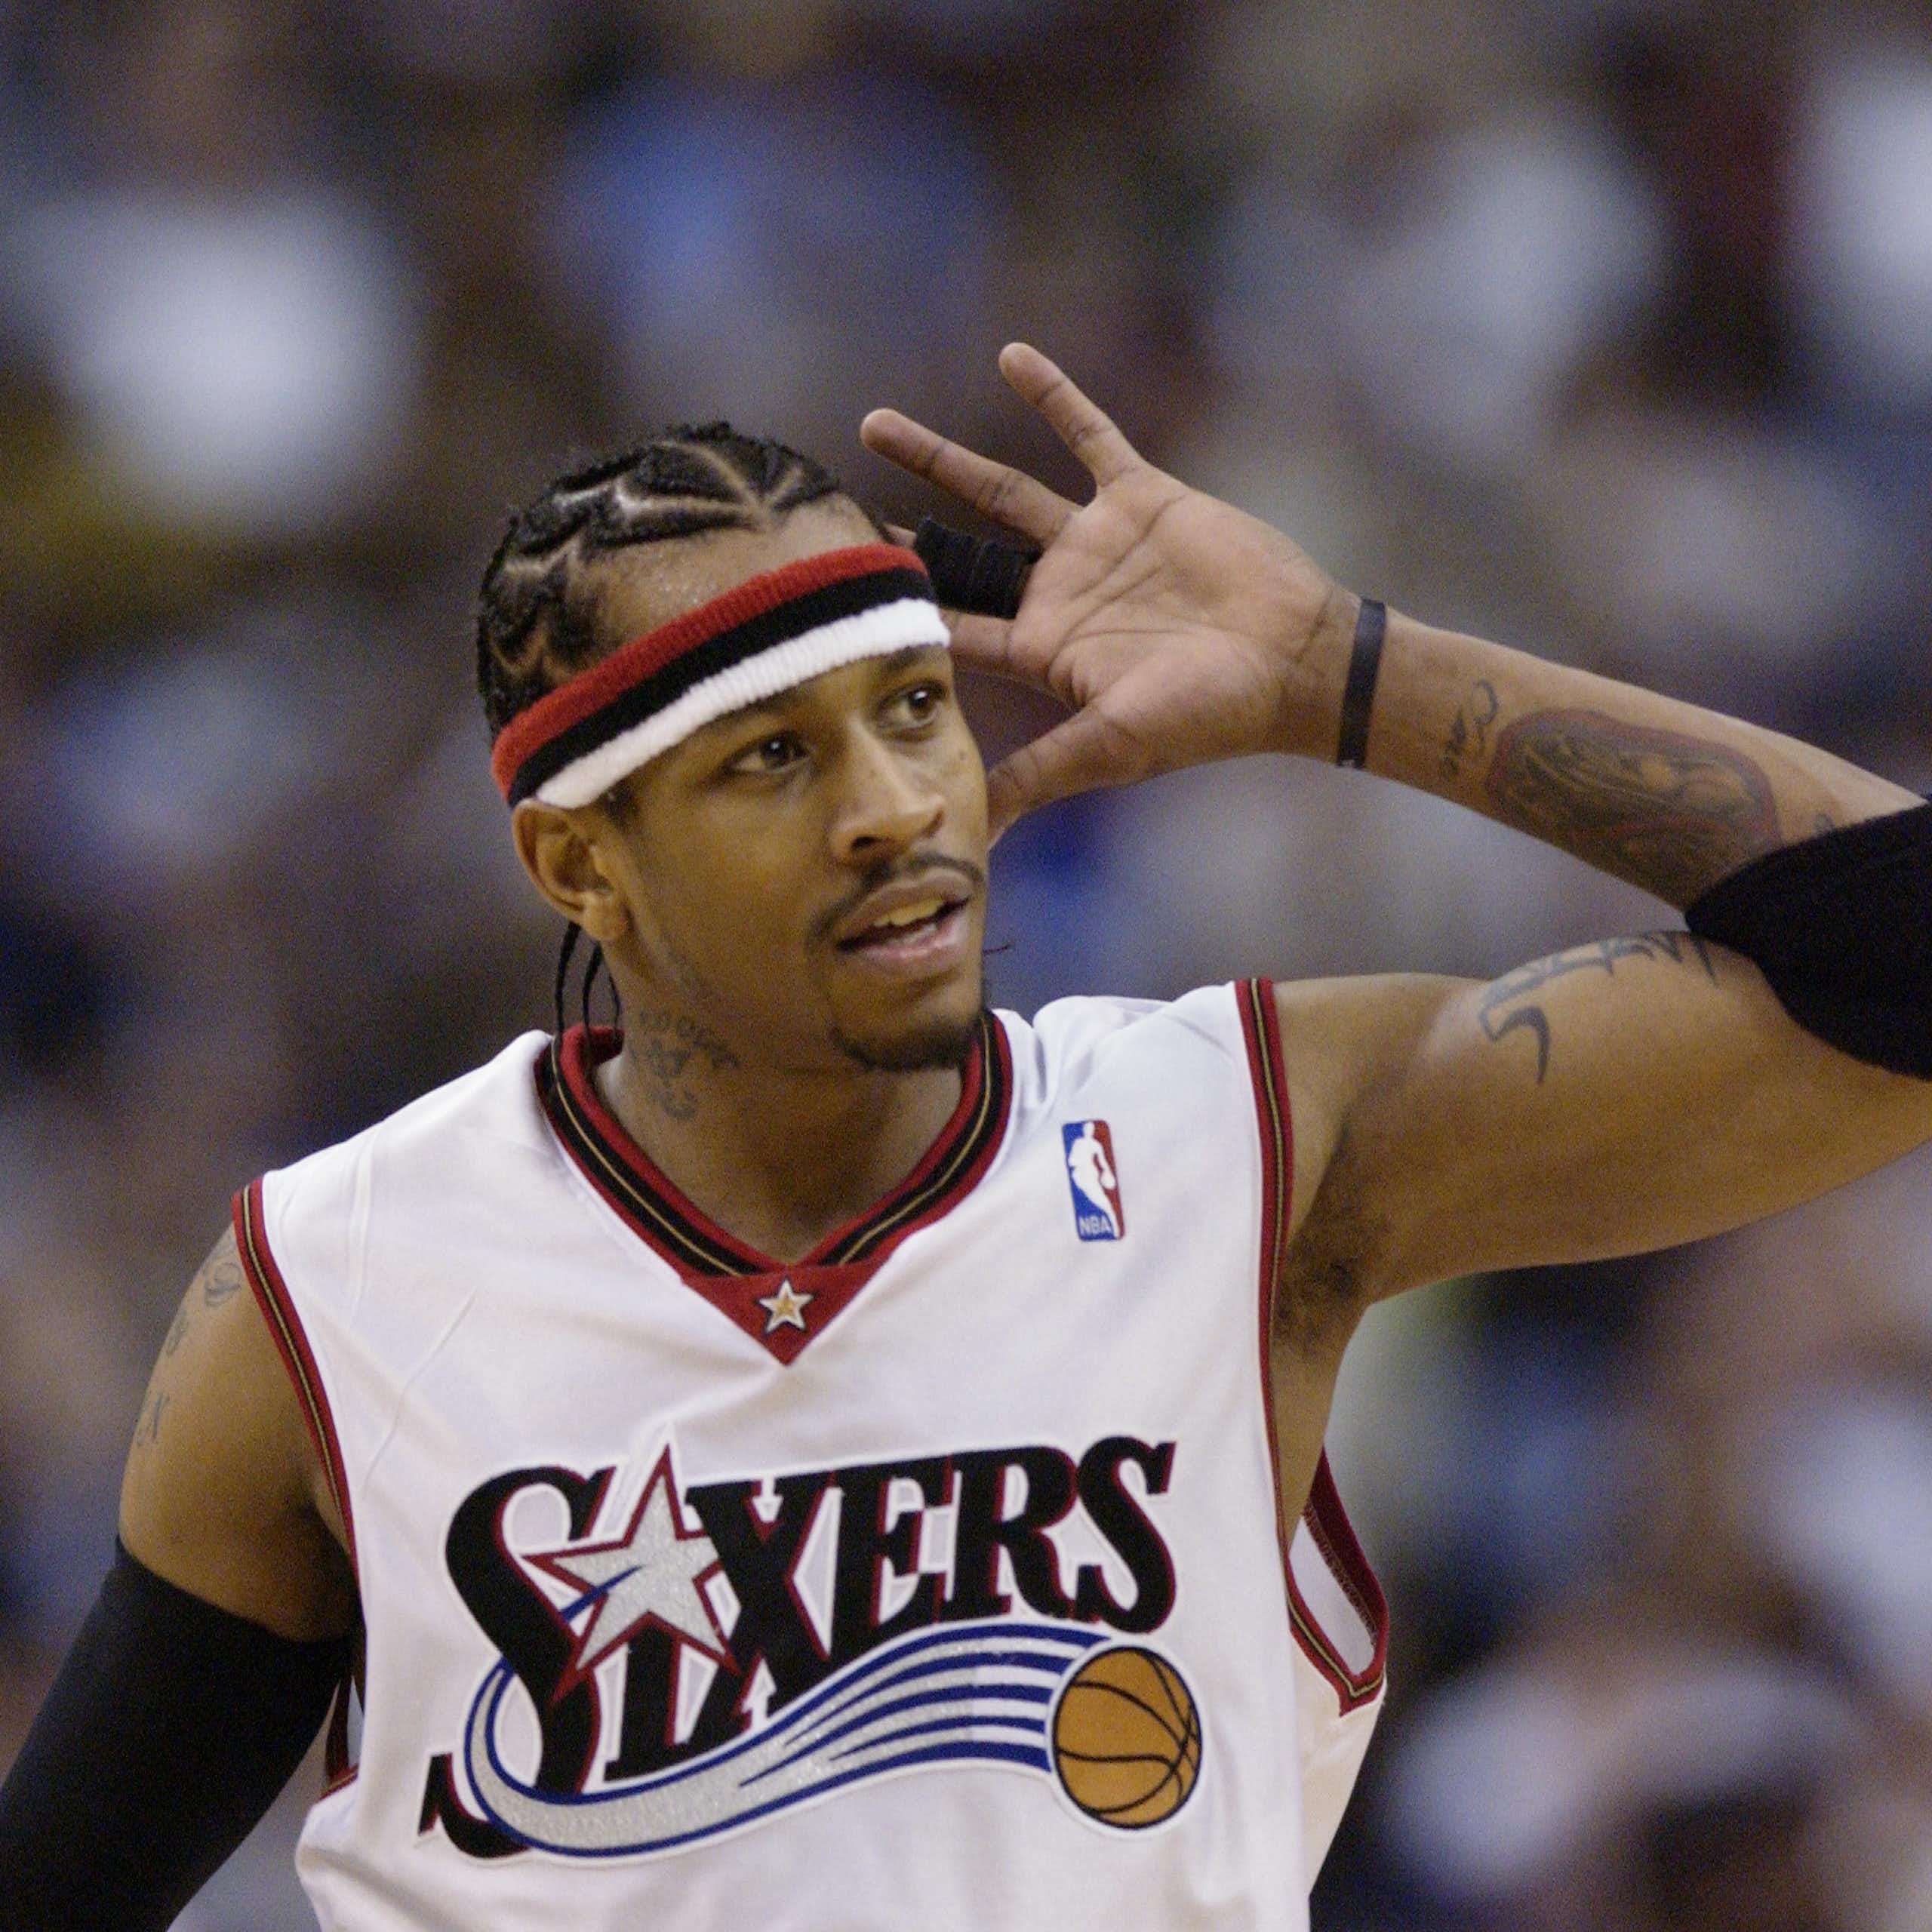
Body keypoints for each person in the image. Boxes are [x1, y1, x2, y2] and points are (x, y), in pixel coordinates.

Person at [2, 345, 1927, 1930]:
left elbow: (1896, 968)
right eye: (776, 755)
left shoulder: (1243, 1145)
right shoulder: (333, 1281)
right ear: (578, 862)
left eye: (914, 706)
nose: (891, 805)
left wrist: (1348, 676)